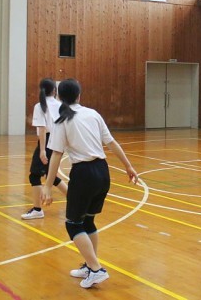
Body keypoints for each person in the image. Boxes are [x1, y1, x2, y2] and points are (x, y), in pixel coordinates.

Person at [41, 79, 138, 289]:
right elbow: (111, 142)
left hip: (84, 174)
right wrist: (128, 166)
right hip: (103, 172)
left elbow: (56, 155)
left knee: (73, 224)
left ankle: (96, 269)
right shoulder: (93, 114)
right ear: (79, 95)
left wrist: (47, 186)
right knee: (87, 222)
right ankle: (89, 265)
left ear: (60, 97)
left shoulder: (61, 120)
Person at [21, 78, 68, 220]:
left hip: (47, 142)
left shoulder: (40, 106)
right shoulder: (60, 104)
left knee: (34, 176)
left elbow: (42, 129)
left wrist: (42, 150)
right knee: (51, 176)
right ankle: (75, 201)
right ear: (54, 90)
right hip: (58, 140)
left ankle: (37, 209)